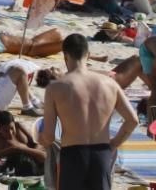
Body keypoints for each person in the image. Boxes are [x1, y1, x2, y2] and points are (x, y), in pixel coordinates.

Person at [40, 34, 137, 190]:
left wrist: (41, 140)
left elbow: (49, 136)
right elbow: (132, 120)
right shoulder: (110, 84)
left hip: (72, 155)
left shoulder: (55, 88)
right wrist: (114, 144)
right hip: (101, 154)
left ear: (65, 56)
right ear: (88, 55)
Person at [0, 111, 45, 176]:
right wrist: (13, 149)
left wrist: (34, 151)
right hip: (26, 163)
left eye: (12, 128)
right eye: (5, 130)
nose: (10, 132)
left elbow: (35, 142)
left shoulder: (18, 126)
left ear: (14, 123)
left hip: (37, 157)